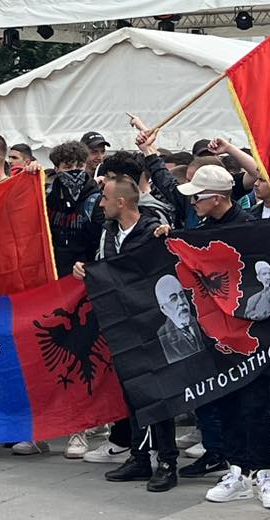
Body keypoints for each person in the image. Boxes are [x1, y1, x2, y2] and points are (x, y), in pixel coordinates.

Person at [173, 163, 270, 511]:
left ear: (218, 198)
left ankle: (265, 473)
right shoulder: (202, 232)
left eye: (198, 198)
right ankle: (238, 470)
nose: (192, 204)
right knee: (226, 402)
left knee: (255, 405)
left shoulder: (253, 229)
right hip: (218, 335)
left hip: (252, 335)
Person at [78, 175, 177, 487]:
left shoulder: (152, 232)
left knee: (159, 394)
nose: (102, 204)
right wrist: (84, 269)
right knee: (132, 392)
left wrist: (169, 237)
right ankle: (139, 456)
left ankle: (167, 461)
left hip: (152, 324)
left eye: (105, 198)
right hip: (121, 326)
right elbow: (102, 266)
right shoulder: (109, 233)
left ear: (121, 202)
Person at [47, 141, 103, 279]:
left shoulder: (96, 201)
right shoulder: (48, 198)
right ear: (56, 168)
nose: (74, 170)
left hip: (85, 275)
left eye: (79, 165)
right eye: (67, 166)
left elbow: (102, 243)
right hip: (55, 274)